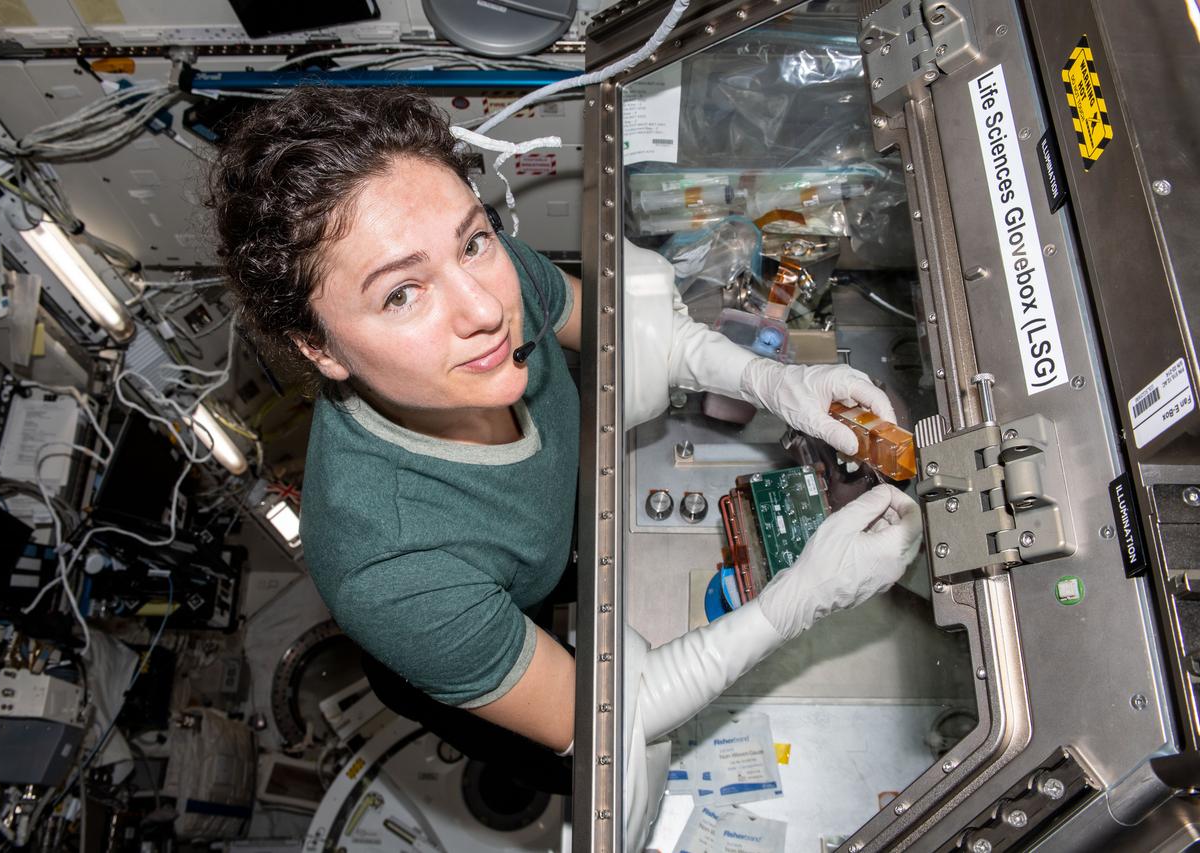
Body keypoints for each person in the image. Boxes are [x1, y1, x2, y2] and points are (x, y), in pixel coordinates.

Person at [209, 88, 922, 812]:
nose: (487, 309)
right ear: (318, 347)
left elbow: (630, 337)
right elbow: (620, 715)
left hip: (535, 541)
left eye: (474, 240)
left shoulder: (479, 273)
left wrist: (770, 380)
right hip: (459, 634)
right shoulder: (392, 573)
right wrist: (800, 598)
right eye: (402, 295)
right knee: (573, 765)